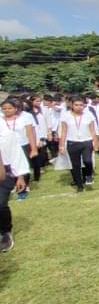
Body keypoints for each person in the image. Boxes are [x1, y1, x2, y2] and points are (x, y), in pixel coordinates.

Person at [59, 96, 99, 192]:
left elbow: (93, 130)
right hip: (72, 142)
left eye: (81, 105)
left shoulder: (88, 115)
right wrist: (61, 145)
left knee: (88, 161)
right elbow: (63, 132)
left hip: (87, 141)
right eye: (76, 105)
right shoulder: (66, 116)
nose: (79, 107)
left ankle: (89, 175)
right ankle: (79, 185)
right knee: (75, 165)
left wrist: (96, 142)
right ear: (72, 105)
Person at [0, 119, 30, 252]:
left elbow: (16, 154)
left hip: (5, 172)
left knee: (0, 203)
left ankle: (5, 232)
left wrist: (20, 176)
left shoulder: (7, 134)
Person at [0, 99, 37, 199]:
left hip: (22, 145)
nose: (7, 110)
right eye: (4, 109)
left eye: (9, 108)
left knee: (21, 167)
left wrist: (33, 148)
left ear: (15, 109)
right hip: (5, 148)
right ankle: (8, 186)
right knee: (7, 169)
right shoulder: (1, 121)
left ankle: (22, 190)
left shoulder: (24, 118)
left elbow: (30, 133)